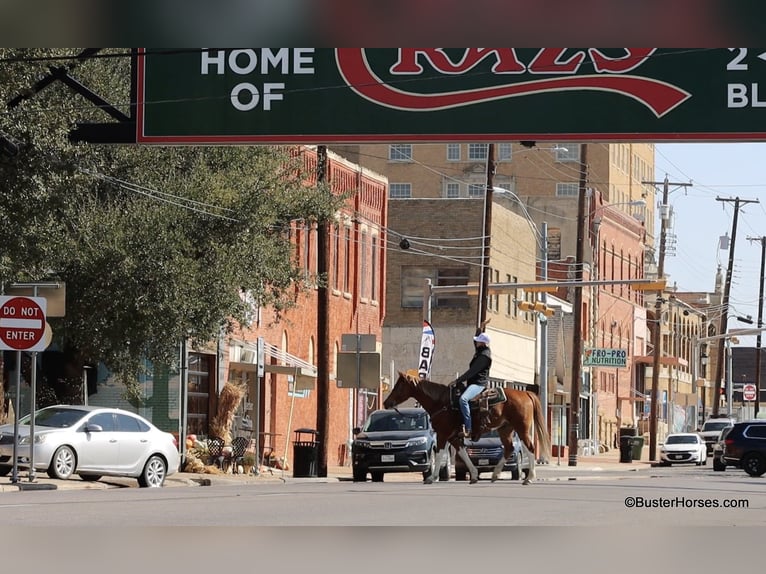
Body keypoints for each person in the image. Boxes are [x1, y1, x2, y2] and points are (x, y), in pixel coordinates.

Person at [451, 331, 492, 437]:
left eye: (478, 341)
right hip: (473, 383)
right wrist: (480, 328)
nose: (476, 343)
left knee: (463, 399)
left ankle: (468, 428)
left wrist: (458, 380)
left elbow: (472, 371)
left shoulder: (484, 356)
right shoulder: (480, 352)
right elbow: (475, 341)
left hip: (479, 384)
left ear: (482, 343)